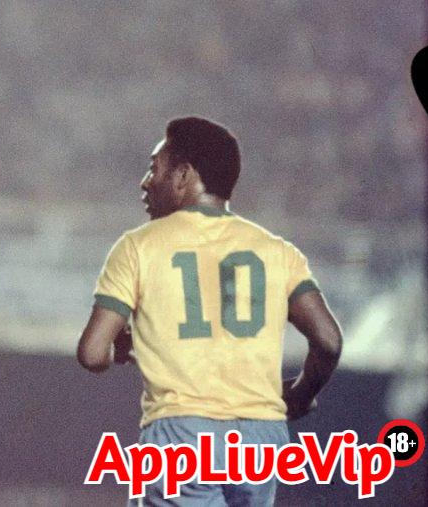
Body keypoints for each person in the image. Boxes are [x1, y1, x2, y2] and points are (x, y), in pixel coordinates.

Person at [76, 116, 343, 506]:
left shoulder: (138, 247)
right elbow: (329, 340)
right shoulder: (277, 251)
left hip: (183, 435)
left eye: (154, 168)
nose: (145, 182)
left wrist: (116, 351)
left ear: (183, 175)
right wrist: (301, 394)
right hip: (262, 440)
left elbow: (91, 353)